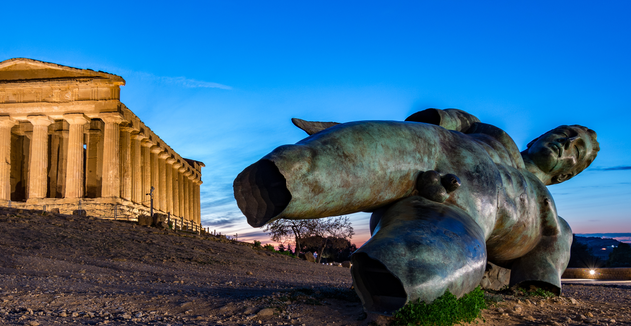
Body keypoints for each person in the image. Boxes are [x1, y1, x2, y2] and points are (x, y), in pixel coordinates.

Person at [234, 108, 599, 312]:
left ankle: (386, 281)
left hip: (469, 214)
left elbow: (548, 253)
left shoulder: (546, 207)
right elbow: (453, 121)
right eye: (565, 133)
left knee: (423, 257)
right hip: (436, 152)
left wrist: (535, 281)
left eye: (575, 149)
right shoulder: (497, 137)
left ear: (566, 173)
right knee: (366, 153)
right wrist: (405, 129)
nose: (564, 142)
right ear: (538, 138)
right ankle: (284, 178)